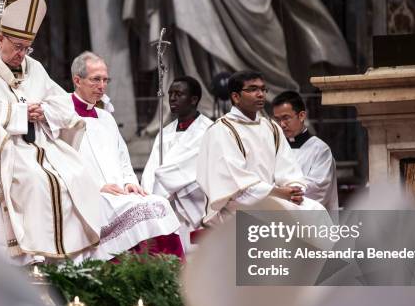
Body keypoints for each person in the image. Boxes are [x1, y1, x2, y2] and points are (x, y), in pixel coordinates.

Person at [0, 0, 101, 265]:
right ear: (0, 39)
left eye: (27, 48)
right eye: (17, 47)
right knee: (34, 179)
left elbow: (63, 104)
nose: (22, 55)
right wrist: (17, 112)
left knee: (76, 174)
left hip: (36, 144)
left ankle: (68, 262)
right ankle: (32, 259)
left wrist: (44, 113)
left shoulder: (34, 67)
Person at [70, 51, 183, 260]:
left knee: (158, 204)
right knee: (139, 209)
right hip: (89, 195)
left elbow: (122, 158)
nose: (102, 86)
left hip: (118, 192)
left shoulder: (106, 118)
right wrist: (95, 187)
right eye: (96, 79)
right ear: (77, 80)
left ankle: (168, 276)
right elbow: (61, 163)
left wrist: (130, 181)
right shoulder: (62, 114)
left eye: (105, 80)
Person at [196, 70, 325, 225]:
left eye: (263, 89)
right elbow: (234, 184)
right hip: (235, 205)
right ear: (236, 97)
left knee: (315, 210)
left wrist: (294, 190)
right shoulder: (221, 130)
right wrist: (278, 193)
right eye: (253, 89)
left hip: (274, 199)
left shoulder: (271, 127)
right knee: (284, 220)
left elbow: (288, 168)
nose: (261, 94)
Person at [141, 76, 213, 252]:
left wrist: (166, 186)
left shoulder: (209, 131)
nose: (172, 98)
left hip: (194, 204)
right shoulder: (164, 133)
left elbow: (202, 171)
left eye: (178, 94)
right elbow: (151, 170)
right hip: (166, 208)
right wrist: (151, 196)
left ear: (194, 99)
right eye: (170, 94)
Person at [272, 91, 338, 213]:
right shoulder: (274, 148)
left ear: (301, 116)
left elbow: (319, 188)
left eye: (286, 118)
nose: (282, 124)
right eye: (277, 119)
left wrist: (285, 192)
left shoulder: (320, 149)